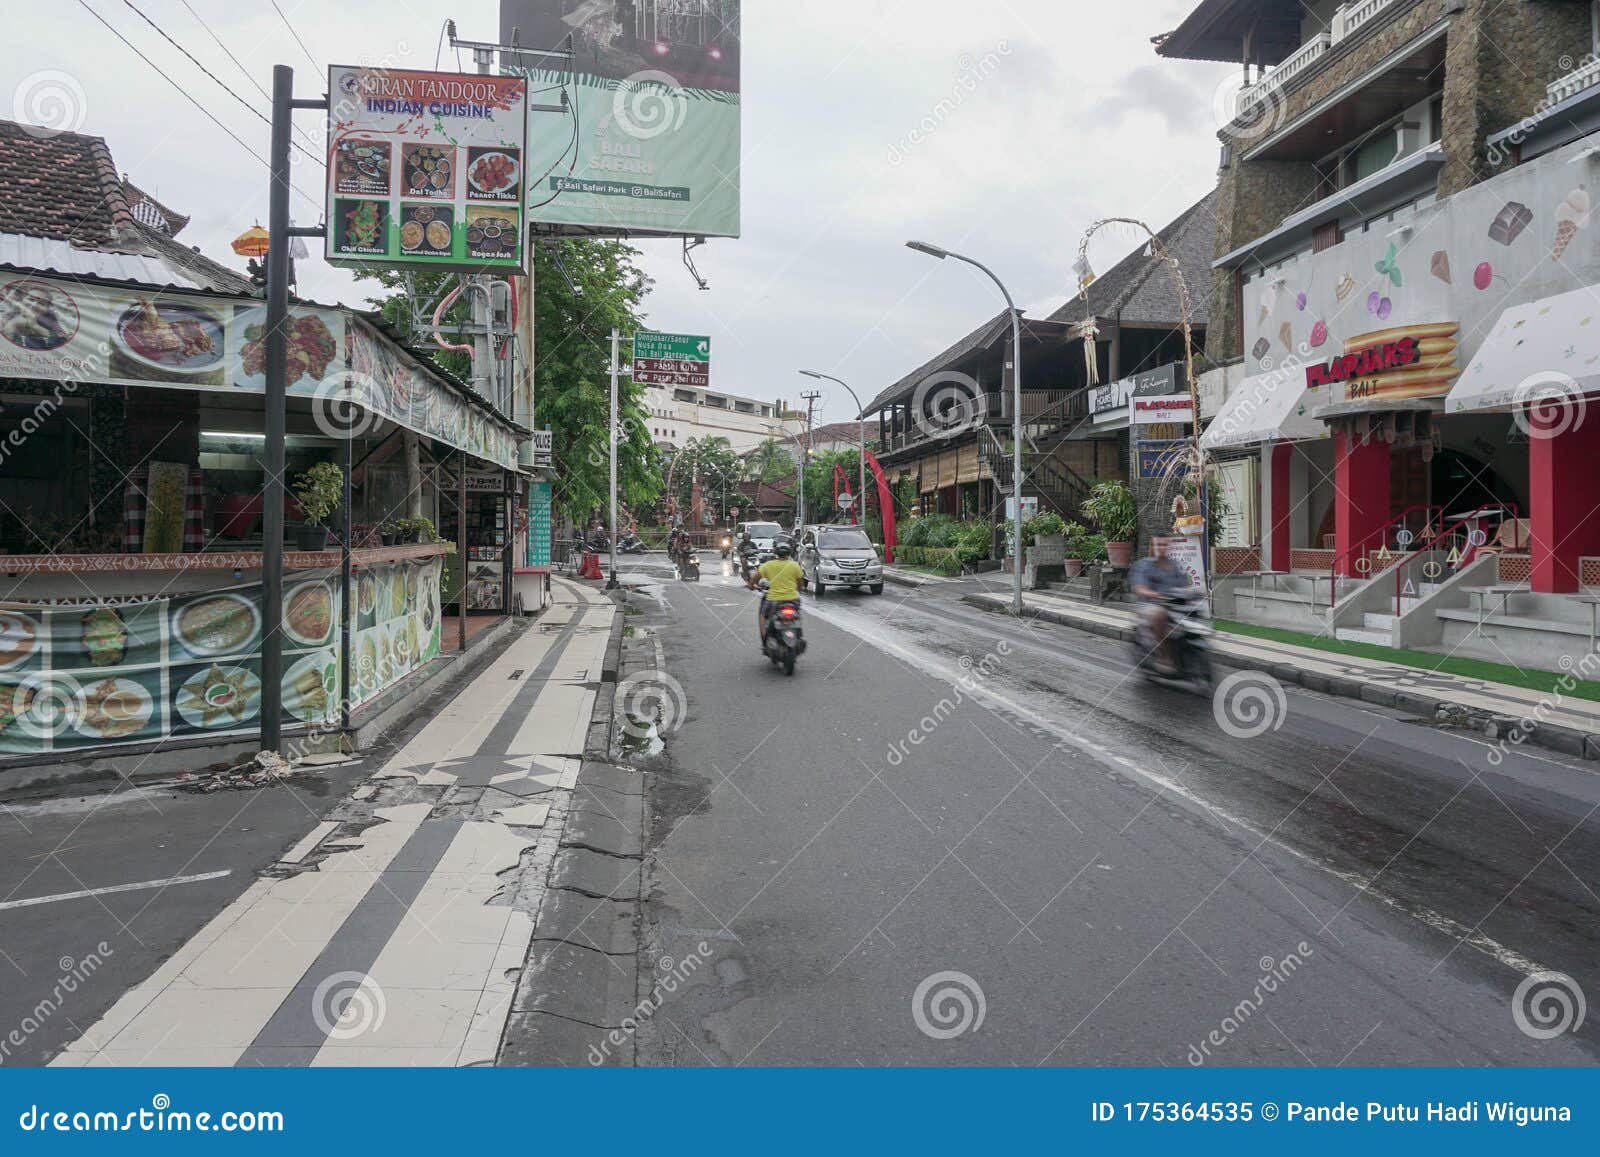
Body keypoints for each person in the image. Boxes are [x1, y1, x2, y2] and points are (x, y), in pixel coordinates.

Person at [1130, 537, 1191, 674]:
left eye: (1164, 544)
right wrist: (1156, 595)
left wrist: (1194, 592)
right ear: (1152, 547)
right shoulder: (1144, 565)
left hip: (1172, 606)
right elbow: (1139, 588)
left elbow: (1185, 585)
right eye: (1158, 545)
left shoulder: (1174, 565)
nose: (1162, 547)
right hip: (1149, 606)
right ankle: (1164, 656)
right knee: (1159, 614)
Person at [747, 539, 804, 647]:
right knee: (797, 615)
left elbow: (754, 579)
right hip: (793, 600)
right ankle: (799, 635)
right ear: (789, 553)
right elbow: (800, 584)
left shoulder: (768, 565)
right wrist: (798, 590)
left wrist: (751, 586)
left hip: (773, 601)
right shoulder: (795, 565)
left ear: (776, 552)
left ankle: (765, 639)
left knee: (763, 615)